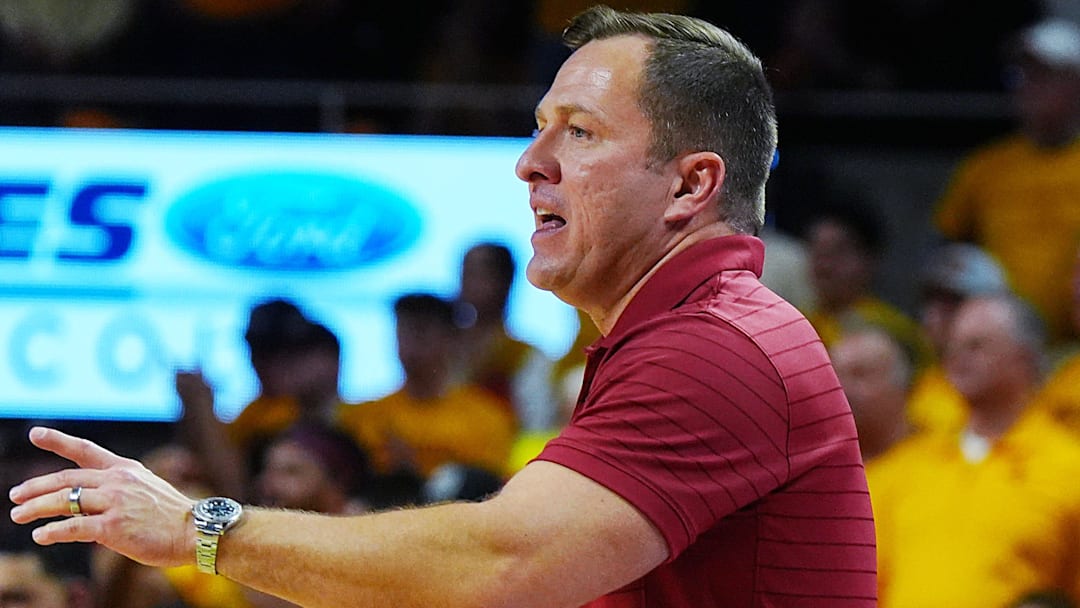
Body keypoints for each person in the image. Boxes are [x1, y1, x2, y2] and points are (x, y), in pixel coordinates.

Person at [8, 6, 876, 606]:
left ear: (691, 185)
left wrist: (200, 528)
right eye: (539, 125)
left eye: (579, 131)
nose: (530, 162)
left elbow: (499, 566)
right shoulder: (693, 332)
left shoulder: (714, 346)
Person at [871, 294, 1080, 607]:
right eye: (952, 346)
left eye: (976, 345)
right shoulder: (907, 465)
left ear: (1024, 356)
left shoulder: (1069, 467)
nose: (957, 358)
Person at [934, 17, 1080, 347]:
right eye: (1023, 76)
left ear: (1076, 85)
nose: (1031, 88)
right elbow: (943, 252)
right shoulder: (985, 167)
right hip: (997, 348)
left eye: (1045, 76)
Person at [336, 292, 515, 503]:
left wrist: (415, 471)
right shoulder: (360, 415)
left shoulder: (486, 416)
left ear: (449, 340)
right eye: (403, 333)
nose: (410, 345)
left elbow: (490, 490)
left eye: (421, 332)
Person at [176, 298, 345, 499]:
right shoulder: (258, 414)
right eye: (256, 352)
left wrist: (201, 404)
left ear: (327, 357)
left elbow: (237, 494)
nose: (263, 366)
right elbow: (215, 480)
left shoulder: (360, 418)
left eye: (283, 354)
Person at [802, 199, 932, 368]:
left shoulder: (892, 330)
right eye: (818, 251)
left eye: (838, 252)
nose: (824, 266)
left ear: (870, 259)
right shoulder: (799, 321)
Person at [905, 242, 1010, 434]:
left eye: (952, 303)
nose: (933, 315)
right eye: (930, 300)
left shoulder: (1005, 387)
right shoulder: (911, 382)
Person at [453, 241, 556, 432]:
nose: (466, 283)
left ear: (505, 281)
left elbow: (536, 423)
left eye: (478, 274)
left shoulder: (524, 355)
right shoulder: (444, 347)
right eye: (464, 273)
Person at [829, 325, 916, 462]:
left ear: (900, 384)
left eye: (859, 375)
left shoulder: (941, 457)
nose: (842, 388)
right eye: (835, 377)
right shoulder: (820, 464)